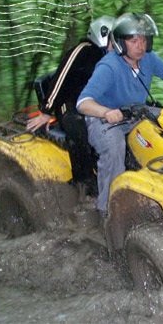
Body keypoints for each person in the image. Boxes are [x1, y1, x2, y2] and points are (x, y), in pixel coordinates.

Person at [76, 12, 163, 216]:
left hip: (135, 111)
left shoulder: (148, 59)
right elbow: (83, 102)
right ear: (121, 42)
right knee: (115, 149)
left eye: (144, 40)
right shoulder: (109, 66)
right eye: (134, 40)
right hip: (104, 119)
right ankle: (108, 210)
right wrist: (106, 112)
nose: (140, 45)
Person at [26, 15, 115, 193]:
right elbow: (60, 79)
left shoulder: (112, 59)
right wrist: (46, 110)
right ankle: (83, 182)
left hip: (95, 105)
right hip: (69, 102)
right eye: (115, 38)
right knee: (79, 126)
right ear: (103, 34)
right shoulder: (83, 50)